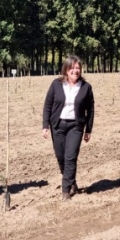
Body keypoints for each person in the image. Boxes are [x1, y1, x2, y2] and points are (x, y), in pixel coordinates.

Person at [42, 55, 95, 201]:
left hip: (75, 127)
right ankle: (72, 181)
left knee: (70, 157)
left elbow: (90, 110)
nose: (75, 71)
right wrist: (45, 125)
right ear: (66, 69)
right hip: (57, 125)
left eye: (78, 68)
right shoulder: (56, 84)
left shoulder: (86, 87)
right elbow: (47, 105)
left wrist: (88, 129)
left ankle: (66, 191)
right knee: (61, 157)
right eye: (72, 68)